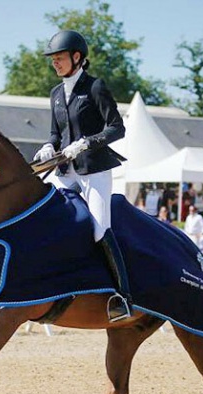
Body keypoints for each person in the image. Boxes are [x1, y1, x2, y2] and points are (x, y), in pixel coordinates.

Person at [33, 30, 129, 322]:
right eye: (53, 60)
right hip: (64, 169)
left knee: (100, 227)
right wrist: (50, 145)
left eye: (60, 58)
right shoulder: (55, 94)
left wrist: (87, 142)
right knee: (39, 209)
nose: (55, 64)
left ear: (77, 57)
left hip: (94, 170)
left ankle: (122, 296)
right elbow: (55, 132)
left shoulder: (95, 87)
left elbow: (116, 128)